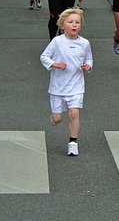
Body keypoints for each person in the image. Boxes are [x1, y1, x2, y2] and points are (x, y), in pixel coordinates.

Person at [40, 8, 93, 156]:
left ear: (81, 26)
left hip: (76, 85)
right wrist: (55, 64)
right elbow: (44, 57)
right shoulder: (57, 42)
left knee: (74, 113)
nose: (74, 25)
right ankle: (54, 117)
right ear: (62, 26)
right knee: (57, 119)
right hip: (58, 86)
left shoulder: (84, 43)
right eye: (70, 22)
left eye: (77, 22)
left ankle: (73, 143)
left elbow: (88, 58)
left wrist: (88, 66)